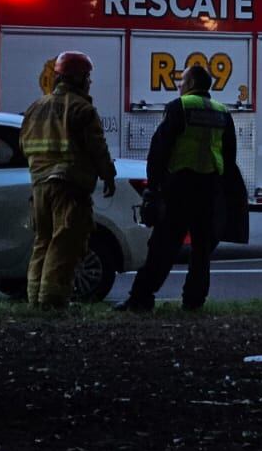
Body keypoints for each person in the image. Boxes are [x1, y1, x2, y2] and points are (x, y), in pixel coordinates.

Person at [116, 65, 239, 312]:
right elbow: (229, 156)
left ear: (192, 82)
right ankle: (193, 301)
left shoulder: (179, 107)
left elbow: (159, 151)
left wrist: (153, 187)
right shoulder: (222, 112)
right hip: (208, 189)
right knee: (201, 251)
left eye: (182, 80)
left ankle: (141, 297)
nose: (179, 85)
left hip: (179, 188)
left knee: (163, 246)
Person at [18, 52, 117, 309]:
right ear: (79, 78)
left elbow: (23, 144)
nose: (90, 82)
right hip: (69, 186)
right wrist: (108, 175)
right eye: (88, 77)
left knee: (43, 241)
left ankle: (35, 300)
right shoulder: (82, 109)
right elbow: (97, 148)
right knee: (64, 244)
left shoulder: (35, 107)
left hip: (39, 185)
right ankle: (52, 302)